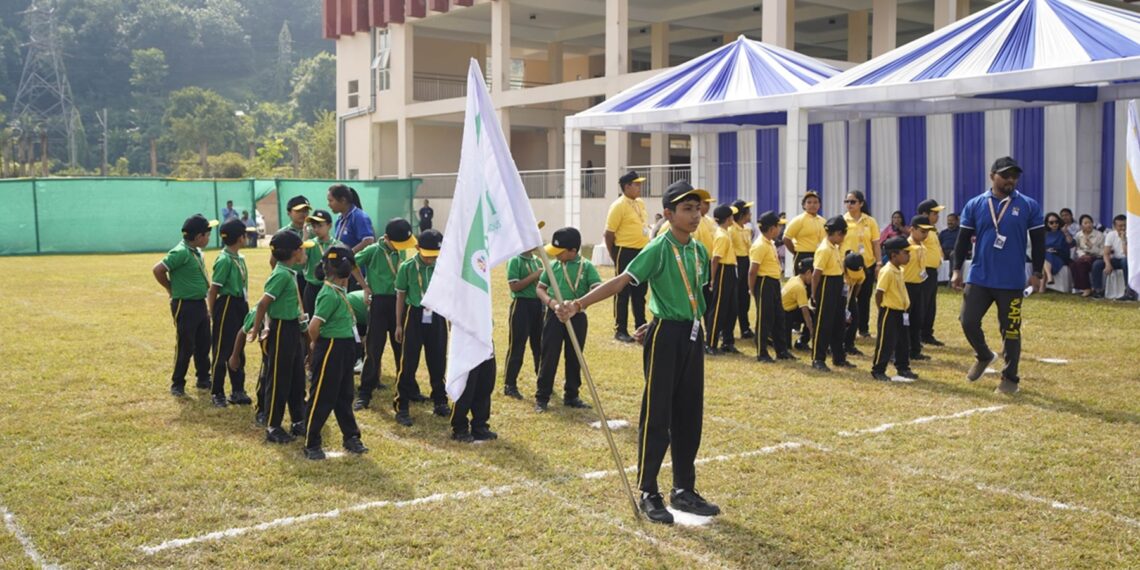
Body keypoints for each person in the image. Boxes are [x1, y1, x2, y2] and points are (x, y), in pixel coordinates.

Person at [554, 180, 720, 525]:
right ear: (670, 214)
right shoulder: (658, 247)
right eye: (687, 209)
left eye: (697, 208)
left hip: (691, 332)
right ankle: (649, 491)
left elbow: (692, 295)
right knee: (657, 413)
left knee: (690, 414)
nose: (695, 215)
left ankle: (684, 490)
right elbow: (622, 280)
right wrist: (579, 304)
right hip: (666, 335)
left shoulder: (699, 249)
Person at [952, 156, 1045, 395]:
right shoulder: (975, 204)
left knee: (1011, 330)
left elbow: (1038, 242)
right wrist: (956, 270)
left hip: (1012, 280)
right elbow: (962, 241)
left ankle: (1010, 377)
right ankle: (984, 355)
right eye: (1005, 175)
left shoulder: (1028, 205)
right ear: (992, 175)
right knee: (967, 321)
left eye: (1014, 176)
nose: (1011, 180)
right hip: (980, 277)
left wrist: (1036, 272)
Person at [302, 245, 369, 460]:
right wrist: (316, 345)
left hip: (344, 348)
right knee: (323, 396)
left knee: (344, 395)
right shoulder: (329, 294)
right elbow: (313, 327)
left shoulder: (340, 291)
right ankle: (311, 442)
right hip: (330, 347)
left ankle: (351, 437)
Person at [251, 231, 315, 443]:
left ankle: (298, 419)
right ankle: (272, 425)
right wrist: (257, 329)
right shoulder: (280, 275)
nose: (304, 252)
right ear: (295, 252)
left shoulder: (289, 272)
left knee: (297, 377)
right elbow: (263, 304)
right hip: (281, 331)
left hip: (293, 329)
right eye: (302, 248)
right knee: (279, 379)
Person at [534, 227, 602, 412]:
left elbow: (597, 288)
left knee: (575, 356)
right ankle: (542, 397)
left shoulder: (586, 266)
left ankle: (572, 395)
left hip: (577, 317)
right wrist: (552, 303)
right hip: (554, 316)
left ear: (573, 251)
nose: (556, 256)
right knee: (549, 355)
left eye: (560, 252)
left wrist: (579, 304)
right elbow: (540, 288)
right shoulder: (552, 266)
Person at [353, 218, 417, 410]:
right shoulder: (374, 250)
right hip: (379, 302)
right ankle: (365, 391)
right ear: (387, 238)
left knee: (402, 348)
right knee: (374, 348)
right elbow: (351, 263)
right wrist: (365, 286)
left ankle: (408, 388)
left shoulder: (400, 248)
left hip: (399, 301)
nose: (401, 247)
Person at [152, 214, 218, 397]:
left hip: (199, 303)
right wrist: (170, 288)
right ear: (198, 237)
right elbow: (158, 269)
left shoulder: (195, 251)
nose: (208, 238)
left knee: (204, 341)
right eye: (207, 234)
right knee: (186, 344)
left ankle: (203, 378)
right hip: (185, 305)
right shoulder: (180, 252)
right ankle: (177, 383)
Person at [393, 229, 449, 426]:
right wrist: (399, 324)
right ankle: (402, 406)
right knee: (408, 362)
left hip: (437, 315)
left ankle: (440, 400)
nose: (431, 260)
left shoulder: (443, 268)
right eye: (427, 255)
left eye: (435, 256)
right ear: (417, 248)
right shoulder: (407, 267)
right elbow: (400, 295)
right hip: (414, 315)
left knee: (438, 359)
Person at [206, 218, 252, 408]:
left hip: (240, 304)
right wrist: (212, 312)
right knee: (222, 349)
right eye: (245, 234)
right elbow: (214, 289)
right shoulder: (224, 259)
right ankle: (217, 391)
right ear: (240, 238)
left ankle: (237, 390)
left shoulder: (239, 258)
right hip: (226, 306)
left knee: (238, 347)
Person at [605, 170, 650, 343]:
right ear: (627, 186)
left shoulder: (640, 203)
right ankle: (620, 329)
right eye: (636, 184)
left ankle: (641, 327)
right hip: (625, 251)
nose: (639, 187)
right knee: (622, 291)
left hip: (641, 251)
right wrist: (614, 255)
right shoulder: (618, 205)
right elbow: (609, 234)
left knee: (640, 291)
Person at [302, 209, 370, 317]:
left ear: (329, 225)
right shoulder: (310, 244)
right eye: (314, 226)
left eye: (320, 225)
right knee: (313, 318)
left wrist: (364, 286)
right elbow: (301, 260)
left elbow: (352, 266)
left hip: (333, 288)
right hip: (313, 288)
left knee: (332, 318)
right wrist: (304, 239)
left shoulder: (338, 246)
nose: (316, 229)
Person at [870, 237, 919, 382]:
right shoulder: (887, 271)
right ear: (894, 255)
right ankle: (878, 369)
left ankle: (903, 367)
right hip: (889, 311)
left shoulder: (899, 270)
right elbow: (879, 293)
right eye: (906, 253)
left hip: (902, 312)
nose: (908, 256)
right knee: (886, 341)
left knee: (903, 341)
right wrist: (882, 309)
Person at [810, 216, 853, 372]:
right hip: (826, 285)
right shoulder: (824, 249)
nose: (843, 239)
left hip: (837, 284)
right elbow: (816, 274)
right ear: (836, 233)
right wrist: (814, 295)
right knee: (823, 324)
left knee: (838, 323)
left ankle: (838, 357)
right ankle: (818, 358)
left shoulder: (834, 247)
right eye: (842, 235)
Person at [748, 211, 791, 363]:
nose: (780, 229)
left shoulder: (770, 243)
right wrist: (752, 289)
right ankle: (762, 351)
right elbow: (753, 271)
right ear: (772, 228)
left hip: (773, 281)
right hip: (764, 282)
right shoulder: (760, 245)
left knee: (779, 316)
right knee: (765, 318)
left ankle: (782, 350)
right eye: (779, 226)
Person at [503, 247, 544, 400]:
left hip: (538, 305)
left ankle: (542, 381)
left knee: (539, 345)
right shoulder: (515, 260)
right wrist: (535, 275)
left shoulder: (537, 260)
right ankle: (510, 384)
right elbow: (514, 286)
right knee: (517, 345)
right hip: (521, 305)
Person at [842, 191, 880, 338]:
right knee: (848, 297)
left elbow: (876, 243)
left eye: (853, 202)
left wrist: (878, 263)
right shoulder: (842, 221)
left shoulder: (870, 221)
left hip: (867, 264)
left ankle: (863, 328)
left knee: (865, 297)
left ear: (861, 204)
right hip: (848, 265)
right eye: (847, 202)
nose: (849, 205)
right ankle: (848, 326)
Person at [706, 205, 739, 355]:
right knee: (719, 308)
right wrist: (713, 279)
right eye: (732, 216)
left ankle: (728, 341)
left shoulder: (725, 233)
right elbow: (715, 259)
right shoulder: (721, 235)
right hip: (723, 271)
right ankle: (710, 343)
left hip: (731, 270)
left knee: (731, 308)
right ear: (728, 218)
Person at [904, 215, 934, 362]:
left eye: (927, 231)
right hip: (906, 286)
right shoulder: (906, 247)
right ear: (912, 229)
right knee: (904, 321)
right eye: (922, 231)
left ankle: (915, 350)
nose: (925, 234)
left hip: (919, 286)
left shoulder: (922, 247)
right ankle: (902, 350)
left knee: (917, 319)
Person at [916, 200, 946, 347]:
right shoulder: (921, 231)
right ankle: (921, 333)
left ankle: (927, 333)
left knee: (930, 304)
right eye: (934, 213)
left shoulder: (932, 230)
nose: (937, 216)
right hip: (924, 270)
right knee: (923, 303)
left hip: (932, 271)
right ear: (924, 214)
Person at [1092, 215, 1135, 300]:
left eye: (1125, 225)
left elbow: (1128, 255)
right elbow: (1106, 253)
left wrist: (1123, 240)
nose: (1123, 228)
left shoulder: (1132, 235)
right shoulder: (1111, 235)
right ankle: (1098, 290)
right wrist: (1108, 264)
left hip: (1129, 260)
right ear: (1114, 227)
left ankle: (1129, 292)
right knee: (1097, 264)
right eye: (1120, 226)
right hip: (1115, 259)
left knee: (1125, 261)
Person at [784, 191, 826, 272]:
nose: (812, 205)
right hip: (803, 254)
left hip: (819, 255)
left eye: (815, 202)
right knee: (803, 283)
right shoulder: (799, 220)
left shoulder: (823, 221)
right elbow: (786, 238)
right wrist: (795, 252)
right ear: (804, 205)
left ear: (819, 205)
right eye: (809, 202)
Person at [731, 200, 755, 340]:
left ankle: (745, 328)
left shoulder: (747, 229)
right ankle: (726, 329)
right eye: (748, 212)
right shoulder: (731, 230)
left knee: (744, 298)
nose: (750, 214)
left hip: (746, 262)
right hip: (736, 263)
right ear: (741, 214)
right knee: (734, 297)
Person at [328, 184, 376, 254]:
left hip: (357, 264)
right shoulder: (339, 219)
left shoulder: (359, 217)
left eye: (331, 201)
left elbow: (369, 241)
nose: (328, 204)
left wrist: (349, 254)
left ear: (343, 200)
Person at [782, 258, 814, 352]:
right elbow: (804, 311)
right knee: (786, 347)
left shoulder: (794, 278)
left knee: (812, 314)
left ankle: (802, 341)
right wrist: (811, 329)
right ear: (808, 272)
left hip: (788, 310)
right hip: (784, 314)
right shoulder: (799, 287)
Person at [1071, 214, 1104, 296]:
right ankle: (1081, 288)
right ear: (1081, 225)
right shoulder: (1078, 235)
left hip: (1096, 257)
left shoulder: (1099, 235)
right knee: (1073, 264)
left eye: (1090, 223)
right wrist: (1082, 255)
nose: (1088, 225)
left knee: (1081, 264)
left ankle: (1087, 288)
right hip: (1083, 257)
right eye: (1085, 223)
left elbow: (1103, 252)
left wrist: (1091, 246)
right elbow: (1077, 248)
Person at [842, 253, 866, 357]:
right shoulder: (839, 271)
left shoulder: (861, 273)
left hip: (850, 295)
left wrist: (852, 300)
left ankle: (849, 345)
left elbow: (858, 285)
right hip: (836, 295)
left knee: (855, 318)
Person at [1043, 212, 1073, 290]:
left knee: (1046, 256)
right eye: (1051, 222)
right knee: (1046, 254)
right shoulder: (1045, 234)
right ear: (1047, 223)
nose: (1054, 224)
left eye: (1056, 222)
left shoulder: (1062, 232)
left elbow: (1070, 242)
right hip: (1048, 256)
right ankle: (1048, 277)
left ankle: (1045, 283)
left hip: (1060, 256)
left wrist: (1065, 232)